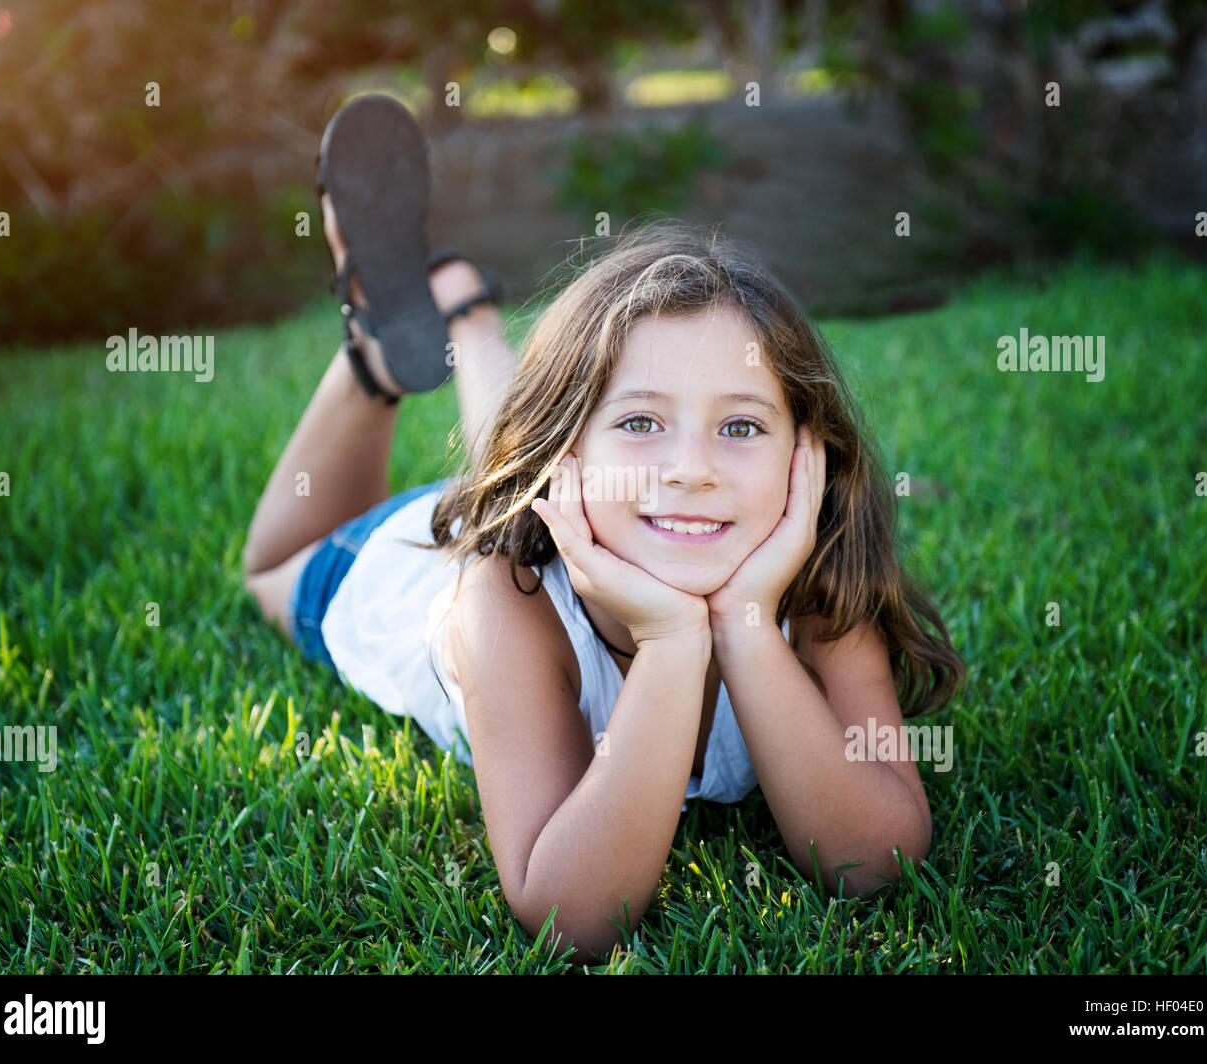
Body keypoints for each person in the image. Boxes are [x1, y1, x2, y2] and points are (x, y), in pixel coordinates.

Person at [243, 94, 965, 965]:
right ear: (563, 458)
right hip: (417, 554)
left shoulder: (819, 586)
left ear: (807, 458)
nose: (693, 467)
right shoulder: (502, 606)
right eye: (644, 422)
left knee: (554, 466)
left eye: (741, 428)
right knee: (272, 570)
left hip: (573, 502)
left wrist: (741, 625)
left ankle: (467, 315)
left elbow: (878, 861)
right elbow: (570, 917)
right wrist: (668, 642)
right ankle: (374, 354)